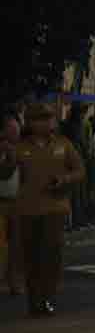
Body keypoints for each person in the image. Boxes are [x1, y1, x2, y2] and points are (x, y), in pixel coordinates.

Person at [11, 103, 85, 315]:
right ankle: (35, 300)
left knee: (52, 256)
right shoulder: (20, 147)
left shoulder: (63, 145)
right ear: (31, 123)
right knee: (31, 257)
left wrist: (64, 179)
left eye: (49, 118)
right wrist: (6, 156)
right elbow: (6, 173)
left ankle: (48, 297)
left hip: (55, 207)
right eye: (41, 119)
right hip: (28, 209)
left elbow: (80, 170)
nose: (47, 122)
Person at [0, 111, 25, 295]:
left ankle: (13, 281)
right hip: (2, 201)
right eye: (12, 129)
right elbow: (5, 173)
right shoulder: (4, 149)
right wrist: (12, 159)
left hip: (17, 202)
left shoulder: (20, 149)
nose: (16, 132)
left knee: (16, 246)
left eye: (17, 129)